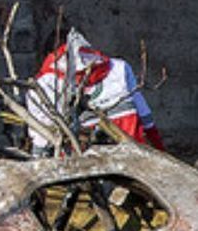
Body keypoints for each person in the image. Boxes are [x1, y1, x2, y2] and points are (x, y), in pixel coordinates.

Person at [27, 31, 165, 154]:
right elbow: (145, 117)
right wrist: (160, 150)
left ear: (48, 54)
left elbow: (41, 137)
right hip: (130, 154)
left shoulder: (43, 83)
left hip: (79, 161)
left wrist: (37, 160)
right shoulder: (119, 67)